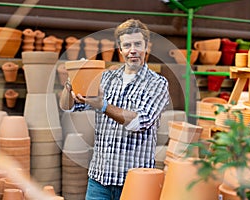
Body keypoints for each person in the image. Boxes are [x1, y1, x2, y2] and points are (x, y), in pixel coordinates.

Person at [59, 18, 169, 200]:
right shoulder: (105, 78)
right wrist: (71, 82)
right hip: (99, 180)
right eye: (127, 45)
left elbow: (140, 122)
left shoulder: (157, 83)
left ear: (147, 47)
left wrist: (102, 105)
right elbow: (69, 107)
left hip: (135, 182)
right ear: (120, 49)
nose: (132, 50)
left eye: (137, 44)